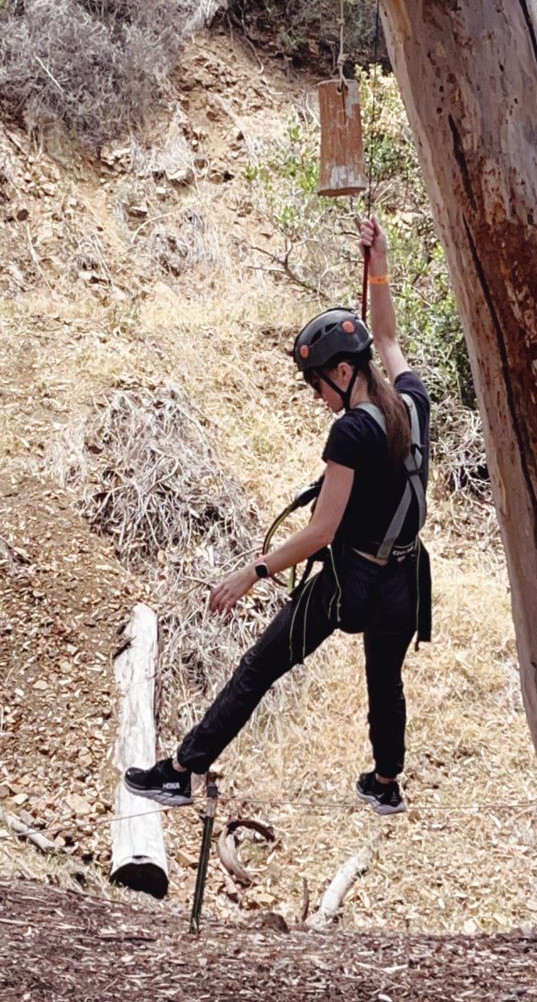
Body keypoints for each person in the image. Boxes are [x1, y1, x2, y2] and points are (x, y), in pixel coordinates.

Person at [124, 216, 431, 816]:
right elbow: (389, 340)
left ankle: (182, 772)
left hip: (355, 583)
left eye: (319, 384)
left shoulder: (351, 433)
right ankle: (385, 784)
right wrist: (381, 259)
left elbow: (322, 531)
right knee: (385, 680)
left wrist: (252, 573)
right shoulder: (413, 404)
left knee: (260, 666)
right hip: (406, 581)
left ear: (343, 374)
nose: (320, 396)